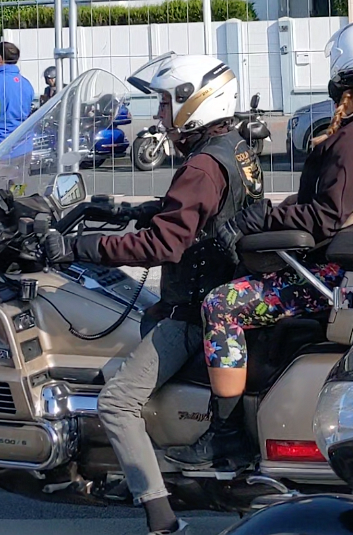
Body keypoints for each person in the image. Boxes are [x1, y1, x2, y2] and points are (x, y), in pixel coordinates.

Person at [164, 21, 353, 470]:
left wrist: (259, 217)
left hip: (329, 274)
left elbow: (324, 218)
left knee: (220, 305)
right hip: (347, 262)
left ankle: (225, 436)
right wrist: (271, 213)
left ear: (346, 69)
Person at [43, 54, 264, 535]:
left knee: (116, 402)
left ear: (195, 102)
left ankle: (162, 520)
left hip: (191, 313)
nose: (161, 114)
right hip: (220, 288)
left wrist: (80, 247)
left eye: (166, 103)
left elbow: (166, 244)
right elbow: (205, 215)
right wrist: (129, 211)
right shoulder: (233, 148)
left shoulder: (201, 166)